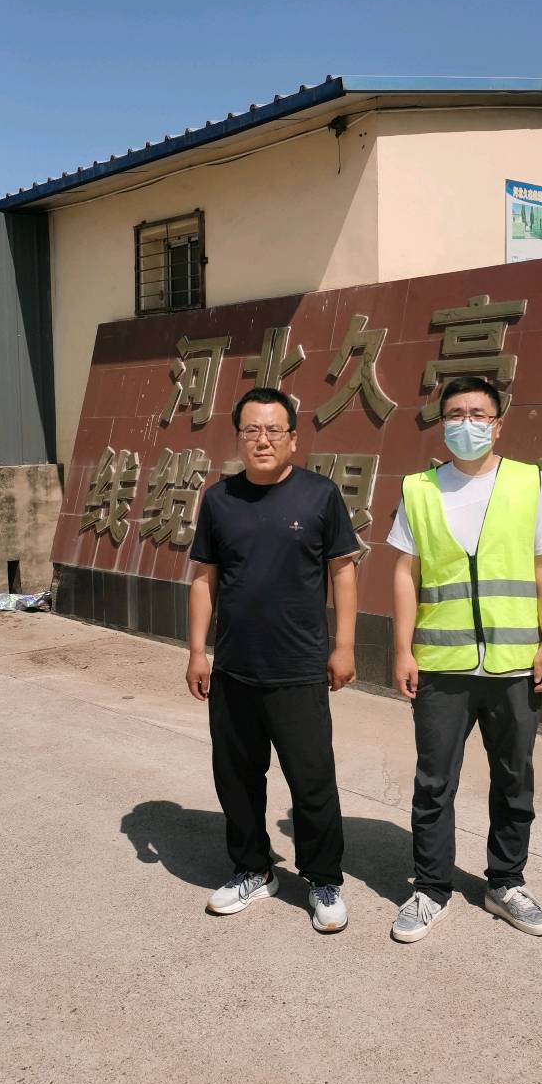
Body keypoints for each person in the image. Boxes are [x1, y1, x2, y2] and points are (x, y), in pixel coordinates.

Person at [387, 375, 542, 943]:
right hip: (441, 665)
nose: (466, 424)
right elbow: (405, 572)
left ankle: (506, 883)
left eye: (478, 414)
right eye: (456, 414)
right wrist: (402, 649)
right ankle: (430, 888)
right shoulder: (419, 489)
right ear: (441, 424)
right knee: (434, 782)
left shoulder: (528, 482)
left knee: (514, 780)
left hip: (514, 662)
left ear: (498, 424)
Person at [186, 386, 359, 934]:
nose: (262, 440)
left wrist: (345, 645)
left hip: (299, 669)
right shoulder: (219, 500)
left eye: (273, 430)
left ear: (293, 437)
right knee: (237, 777)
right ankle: (253, 869)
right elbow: (205, 578)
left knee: (312, 781)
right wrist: (197, 651)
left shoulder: (319, 495)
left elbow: (342, 571)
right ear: (238, 437)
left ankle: (323, 879)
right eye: (252, 430)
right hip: (234, 668)